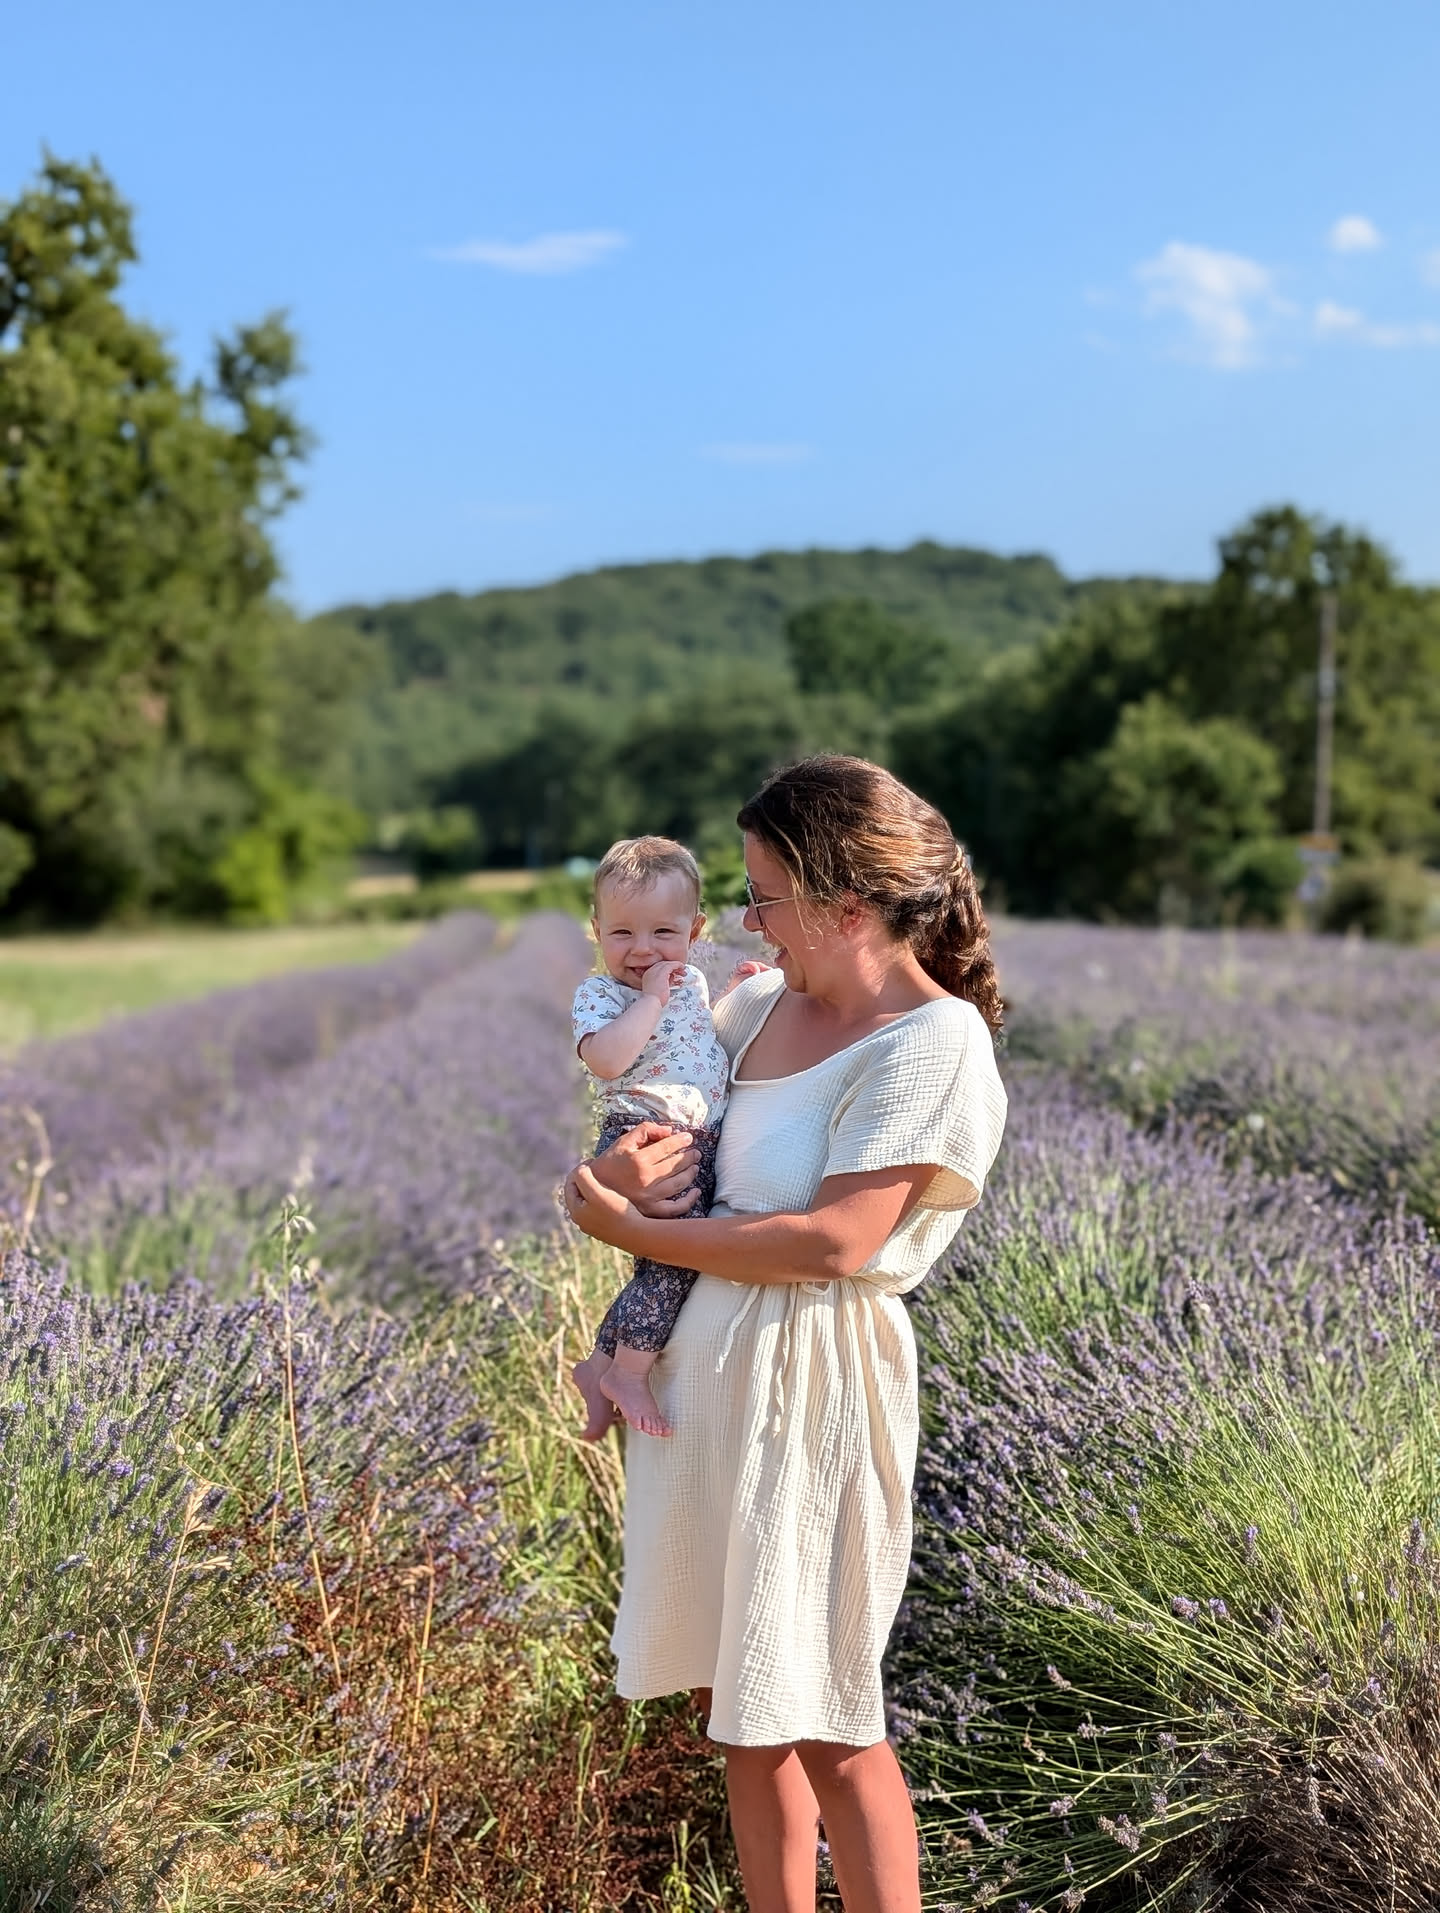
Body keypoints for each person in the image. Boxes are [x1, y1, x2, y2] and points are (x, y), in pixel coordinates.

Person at [563, 755, 1008, 1913]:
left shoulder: (933, 1040)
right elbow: (654, 1122)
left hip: (816, 1393)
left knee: (830, 1716)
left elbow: (834, 1243)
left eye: (762, 896)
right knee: (743, 1713)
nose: (748, 922)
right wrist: (603, 1185)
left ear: (844, 906)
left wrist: (625, 1225)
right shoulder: (756, 1006)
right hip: (706, 1394)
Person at [569, 836, 733, 1440]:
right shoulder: (601, 995)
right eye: (622, 933)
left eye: (663, 932)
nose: (642, 950)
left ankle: (600, 1365)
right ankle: (629, 1373)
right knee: (676, 1261)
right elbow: (608, 1060)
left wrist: (738, 990)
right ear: (597, 932)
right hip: (644, 1139)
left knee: (668, 1264)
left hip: (698, 1140)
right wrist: (651, 999)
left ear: (695, 931)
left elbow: (696, 1039)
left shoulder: (692, 983)